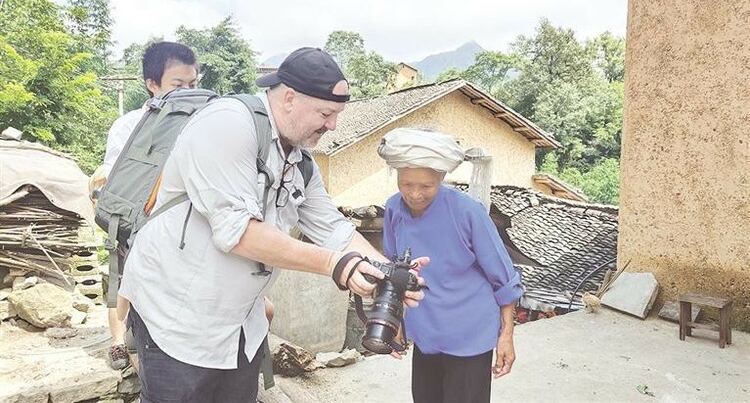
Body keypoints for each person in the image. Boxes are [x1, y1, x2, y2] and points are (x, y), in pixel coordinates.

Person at [117, 47, 427, 403]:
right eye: (326, 113)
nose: (333, 125)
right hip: (178, 319)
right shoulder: (226, 124)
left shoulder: (299, 160)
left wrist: (388, 271)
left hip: (238, 327)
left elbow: (334, 229)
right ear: (290, 98)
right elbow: (237, 233)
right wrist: (334, 265)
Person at [378, 127, 523, 403]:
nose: (415, 194)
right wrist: (395, 321)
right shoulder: (394, 210)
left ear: (441, 178)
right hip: (426, 334)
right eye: (407, 184)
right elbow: (395, 271)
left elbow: (504, 279)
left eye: (426, 186)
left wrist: (506, 336)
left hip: (470, 334)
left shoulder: (467, 212)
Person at [90, 41, 200, 370]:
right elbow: (113, 175)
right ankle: (117, 343)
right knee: (122, 280)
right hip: (134, 220)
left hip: (179, 225)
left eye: (193, 84)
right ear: (152, 85)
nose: (187, 92)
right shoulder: (130, 126)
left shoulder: (200, 123)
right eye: (178, 85)